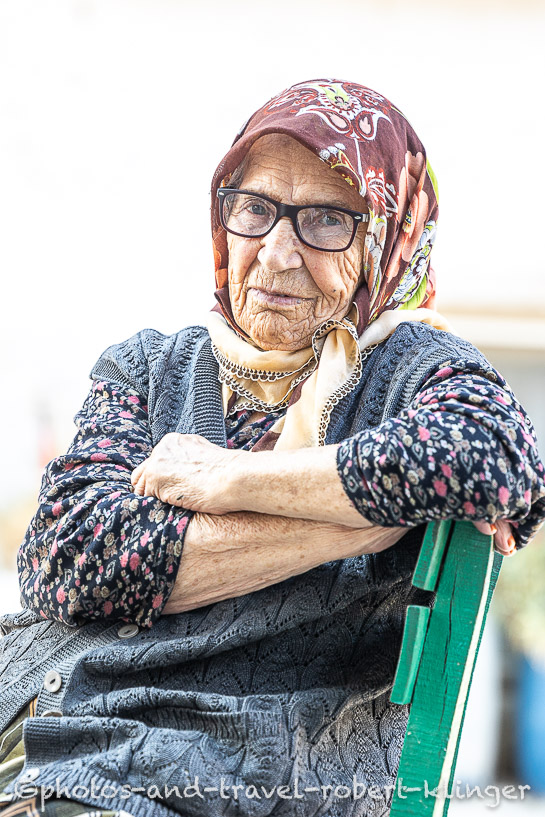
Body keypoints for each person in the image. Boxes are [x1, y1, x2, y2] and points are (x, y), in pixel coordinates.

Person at [0, 78, 544, 817]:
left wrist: (230, 479)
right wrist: (353, 513)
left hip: (232, 777)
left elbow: (492, 455)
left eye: (326, 219)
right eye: (254, 209)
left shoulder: (409, 371)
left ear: (387, 236)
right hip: (46, 727)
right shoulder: (148, 365)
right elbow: (69, 558)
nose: (277, 252)